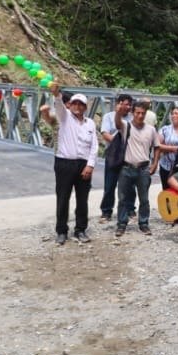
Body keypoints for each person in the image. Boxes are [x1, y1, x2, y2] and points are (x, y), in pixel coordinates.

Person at [46, 85, 97, 245]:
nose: (77, 106)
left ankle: (80, 230)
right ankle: (61, 231)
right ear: (71, 104)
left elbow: (94, 146)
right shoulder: (65, 117)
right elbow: (59, 105)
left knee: (83, 199)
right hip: (64, 163)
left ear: (85, 107)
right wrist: (56, 94)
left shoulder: (90, 124)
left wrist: (90, 165)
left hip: (83, 164)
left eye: (80, 104)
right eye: (74, 103)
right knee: (63, 198)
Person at [115, 99, 163, 237]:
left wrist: (154, 164)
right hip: (126, 167)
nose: (140, 116)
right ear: (132, 113)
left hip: (143, 168)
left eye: (143, 113)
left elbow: (157, 147)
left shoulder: (151, 129)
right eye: (137, 113)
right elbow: (117, 123)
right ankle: (122, 224)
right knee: (123, 198)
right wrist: (118, 112)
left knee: (144, 199)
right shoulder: (126, 126)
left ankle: (143, 223)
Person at [98, 93, 132, 223]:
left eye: (130, 104)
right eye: (125, 104)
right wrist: (118, 143)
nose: (128, 107)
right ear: (119, 103)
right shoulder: (108, 117)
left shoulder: (132, 117)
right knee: (110, 184)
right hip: (113, 154)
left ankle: (130, 209)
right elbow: (105, 133)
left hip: (128, 155)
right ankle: (106, 211)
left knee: (128, 184)